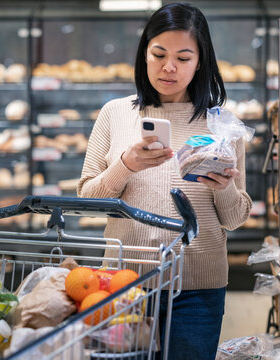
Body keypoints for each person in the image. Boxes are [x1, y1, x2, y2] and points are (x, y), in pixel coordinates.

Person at [78, 3, 251, 359]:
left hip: (197, 291)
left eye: (183, 58)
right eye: (159, 54)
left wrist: (224, 187)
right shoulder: (115, 114)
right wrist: (125, 165)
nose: (168, 67)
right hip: (122, 284)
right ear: (144, 54)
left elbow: (234, 219)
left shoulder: (223, 125)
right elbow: (87, 201)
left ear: (200, 61)